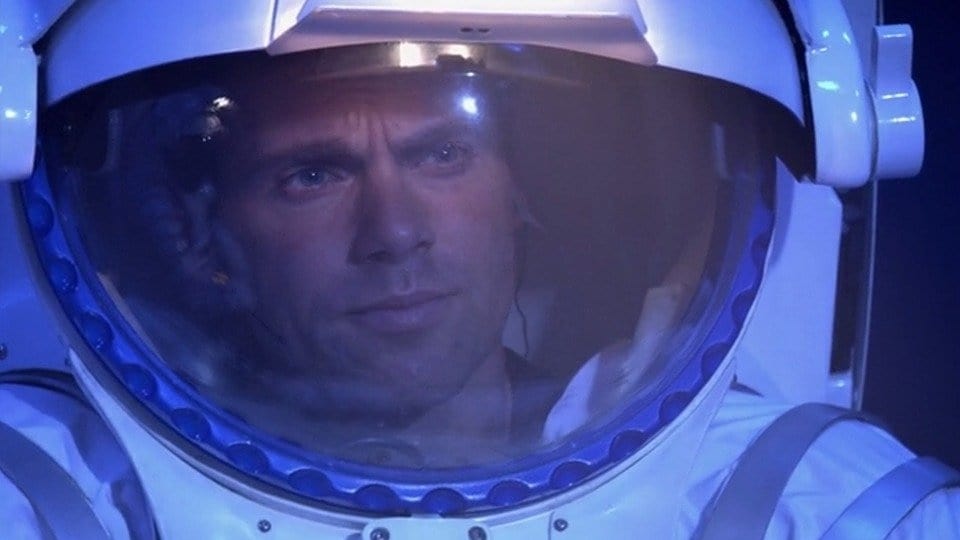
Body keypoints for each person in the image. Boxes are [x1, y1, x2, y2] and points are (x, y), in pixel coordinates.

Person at [0, 1, 956, 538]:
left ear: (518, 198)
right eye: (313, 176)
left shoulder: (810, 504)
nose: (394, 232)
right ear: (210, 242)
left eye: (442, 156)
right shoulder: (56, 495)